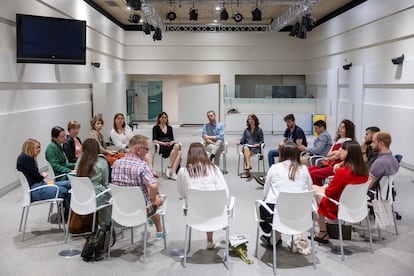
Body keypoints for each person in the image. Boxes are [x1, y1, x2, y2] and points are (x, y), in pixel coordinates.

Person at [312, 141, 369, 243]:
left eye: (342, 149)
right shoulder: (364, 171)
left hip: (338, 206)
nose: (339, 151)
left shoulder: (343, 172)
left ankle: (322, 232)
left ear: (348, 152)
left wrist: (319, 188)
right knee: (318, 189)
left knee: (314, 191)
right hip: (357, 206)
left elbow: (329, 193)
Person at [259, 142, 312, 248]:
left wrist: (264, 201)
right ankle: (276, 237)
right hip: (301, 213)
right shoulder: (304, 169)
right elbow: (309, 190)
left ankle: (275, 237)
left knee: (265, 208)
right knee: (283, 207)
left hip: (278, 211)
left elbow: (265, 192)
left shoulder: (274, 168)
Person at [111, 135, 165, 240]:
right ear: (138, 150)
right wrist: (154, 200)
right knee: (158, 199)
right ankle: (160, 230)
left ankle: (152, 217)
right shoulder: (142, 166)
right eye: (147, 149)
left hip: (120, 209)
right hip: (141, 210)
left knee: (150, 197)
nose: (147, 152)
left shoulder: (116, 163)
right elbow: (153, 186)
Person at [177, 142, 229, 250]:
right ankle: (210, 239)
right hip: (215, 212)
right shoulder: (214, 169)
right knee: (209, 202)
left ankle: (210, 240)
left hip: (194, 212)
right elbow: (225, 191)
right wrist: (227, 206)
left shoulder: (183, 171)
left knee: (202, 201)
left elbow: (181, 192)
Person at [17, 139, 71, 221]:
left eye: (39, 147)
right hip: (36, 190)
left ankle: (67, 214)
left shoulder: (24, 158)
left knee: (68, 184)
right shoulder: (27, 159)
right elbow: (38, 178)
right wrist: (42, 175)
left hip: (38, 186)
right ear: (30, 148)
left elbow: (34, 176)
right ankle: (68, 216)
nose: (39, 150)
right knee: (64, 190)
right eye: (37, 147)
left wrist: (41, 176)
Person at [308, 119, 355, 186]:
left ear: (348, 130)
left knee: (313, 173)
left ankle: (318, 189)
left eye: (343, 127)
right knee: (309, 170)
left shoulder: (348, 142)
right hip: (328, 163)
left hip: (335, 167)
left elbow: (339, 156)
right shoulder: (338, 141)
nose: (340, 129)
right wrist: (335, 153)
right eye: (340, 126)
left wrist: (334, 154)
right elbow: (328, 155)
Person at [76, 138, 112, 225]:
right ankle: (105, 225)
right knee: (112, 196)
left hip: (79, 196)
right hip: (96, 196)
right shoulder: (102, 161)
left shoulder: (79, 161)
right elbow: (105, 182)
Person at [152, 112, 182, 180]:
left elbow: (172, 139)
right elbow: (154, 140)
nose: (164, 119)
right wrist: (164, 143)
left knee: (177, 145)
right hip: (161, 145)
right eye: (162, 117)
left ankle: (170, 168)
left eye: (165, 117)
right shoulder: (155, 128)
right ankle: (172, 171)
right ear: (159, 119)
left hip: (170, 145)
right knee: (179, 153)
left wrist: (171, 142)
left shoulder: (170, 128)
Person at [237, 114, 264, 178]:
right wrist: (239, 141)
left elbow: (262, 141)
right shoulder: (246, 130)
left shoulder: (259, 130)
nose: (250, 120)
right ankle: (248, 165)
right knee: (246, 148)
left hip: (255, 148)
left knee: (246, 153)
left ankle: (247, 172)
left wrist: (258, 144)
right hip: (247, 147)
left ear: (255, 120)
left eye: (252, 119)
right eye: (249, 119)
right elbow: (243, 140)